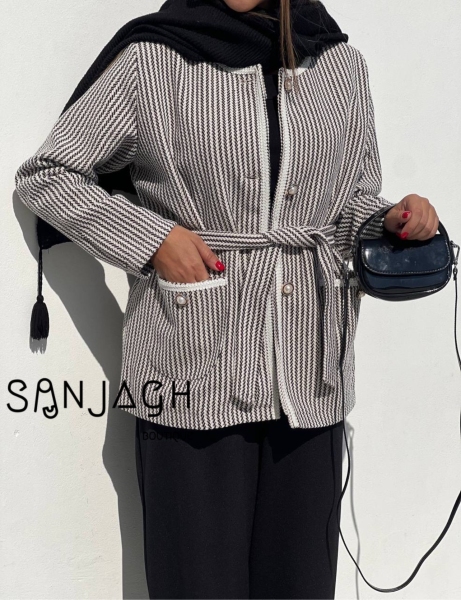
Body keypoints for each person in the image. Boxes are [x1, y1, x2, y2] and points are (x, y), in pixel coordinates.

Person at [14, 0, 439, 598]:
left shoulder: (340, 62)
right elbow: (47, 175)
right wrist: (152, 239)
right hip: (192, 372)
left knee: (300, 586)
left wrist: (391, 220)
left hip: (310, 377)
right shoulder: (152, 58)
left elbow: (349, 208)